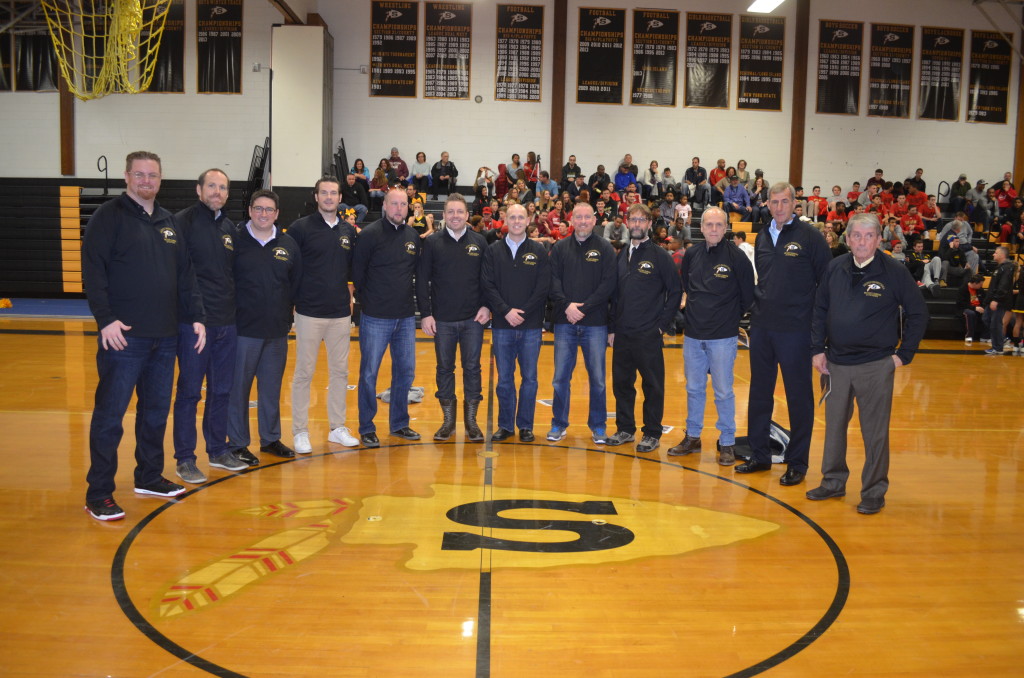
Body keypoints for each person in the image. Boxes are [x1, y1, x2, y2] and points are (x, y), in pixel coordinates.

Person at [81, 150, 205, 520]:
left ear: (161, 179)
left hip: (164, 338)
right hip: (124, 339)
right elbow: (93, 271)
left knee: (154, 414)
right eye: (140, 175)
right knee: (110, 416)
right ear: (126, 177)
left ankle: (149, 476)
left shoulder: (169, 222)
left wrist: (196, 316)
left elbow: (185, 275)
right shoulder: (109, 217)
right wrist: (106, 320)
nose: (146, 181)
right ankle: (99, 492)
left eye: (153, 175)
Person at [807, 213, 928, 515]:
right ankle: (833, 481)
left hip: (876, 364)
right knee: (834, 427)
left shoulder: (894, 271)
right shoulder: (834, 268)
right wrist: (817, 349)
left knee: (874, 432)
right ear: (847, 239)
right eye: (856, 236)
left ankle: (874, 490)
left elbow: (918, 313)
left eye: (868, 236)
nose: (861, 241)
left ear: (878, 239)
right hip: (836, 363)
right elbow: (819, 310)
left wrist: (904, 354)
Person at [737, 182, 830, 486]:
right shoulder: (763, 236)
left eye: (784, 201)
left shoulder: (810, 237)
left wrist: (818, 332)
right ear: (767, 204)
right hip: (763, 328)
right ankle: (760, 455)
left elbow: (826, 287)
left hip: (796, 331)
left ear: (794, 203)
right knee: (759, 394)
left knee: (798, 397)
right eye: (773, 202)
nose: (779, 207)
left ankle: (798, 462)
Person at [667, 207, 754, 464]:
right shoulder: (692, 254)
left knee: (724, 391)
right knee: (694, 388)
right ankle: (693, 436)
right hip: (694, 335)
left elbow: (747, 295)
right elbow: (687, 286)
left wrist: (728, 319)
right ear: (701, 227)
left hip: (723, 337)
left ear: (725, 227)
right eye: (709, 225)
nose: (714, 229)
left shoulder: (737, 257)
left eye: (718, 224)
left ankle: (727, 442)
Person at [172, 168, 241, 483]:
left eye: (223, 187)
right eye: (211, 186)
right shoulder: (182, 223)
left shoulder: (229, 228)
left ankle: (217, 449)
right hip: (194, 326)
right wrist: (193, 316)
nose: (217, 191)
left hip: (227, 324)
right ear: (199, 190)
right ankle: (185, 458)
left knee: (222, 390)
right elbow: (177, 275)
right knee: (189, 393)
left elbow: (232, 276)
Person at [226, 189, 301, 464]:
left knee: (271, 388)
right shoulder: (235, 240)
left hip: (276, 331)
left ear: (277, 214)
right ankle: (237, 443)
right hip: (243, 330)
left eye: (269, 210)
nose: (263, 214)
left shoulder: (288, 244)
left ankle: (270, 439)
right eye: (258, 208)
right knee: (239, 389)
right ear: (250, 210)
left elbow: (295, 284)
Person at [287, 175, 360, 453]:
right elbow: (290, 267)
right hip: (308, 312)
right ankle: (300, 431)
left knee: (340, 372)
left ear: (340, 198)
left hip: (340, 314)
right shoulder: (299, 228)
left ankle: (337, 428)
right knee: (304, 372)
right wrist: (293, 301)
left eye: (334, 193)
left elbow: (352, 269)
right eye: (324, 193)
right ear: (316, 197)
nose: (329, 197)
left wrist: (351, 295)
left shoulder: (348, 231)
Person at [606, 203, 682, 453]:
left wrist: (662, 326)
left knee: (652, 385)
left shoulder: (660, 256)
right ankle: (625, 429)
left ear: (650, 224)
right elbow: (615, 296)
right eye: (633, 220)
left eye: (642, 220)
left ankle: (651, 433)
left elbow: (675, 292)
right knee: (622, 384)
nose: (637, 224)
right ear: (628, 223)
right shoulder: (621, 254)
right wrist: (612, 328)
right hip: (623, 334)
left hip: (648, 334)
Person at [417, 193, 490, 442]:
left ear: (467, 215)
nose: (455, 216)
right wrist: (426, 314)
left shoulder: (480, 242)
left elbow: (488, 280)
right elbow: (422, 281)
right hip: (443, 320)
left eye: (460, 212)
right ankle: (448, 421)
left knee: (472, 369)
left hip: (473, 320)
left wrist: (486, 306)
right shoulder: (433, 242)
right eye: (451, 212)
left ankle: (471, 422)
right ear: (444, 215)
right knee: (444, 369)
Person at [352, 187, 421, 446]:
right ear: (385, 206)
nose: (398, 209)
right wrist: (369, 303)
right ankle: (367, 426)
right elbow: (358, 274)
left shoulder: (413, 236)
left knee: (405, 372)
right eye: (394, 204)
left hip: (405, 318)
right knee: (369, 373)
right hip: (376, 317)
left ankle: (399, 424)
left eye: (403, 204)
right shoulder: (369, 235)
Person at [547, 201, 617, 443]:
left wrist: (584, 309)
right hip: (564, 321)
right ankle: (558, 424)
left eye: (588, 217)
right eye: (579, 217)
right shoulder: (559, 248)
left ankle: (598, 426)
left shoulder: (606, 248)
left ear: (594, 221)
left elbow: (608, 285)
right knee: (560, 377)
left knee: (597, 378)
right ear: (572, 220)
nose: (584, 221)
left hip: (595, 323)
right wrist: (567, 305)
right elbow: (552, 281)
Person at [481, 203, 551, 442]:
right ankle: (505, 425)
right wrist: (505, 311)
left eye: (521, 217)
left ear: (528, 219)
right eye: (513, 217)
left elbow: (543, 287)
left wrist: (523, 312)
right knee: (504, 379)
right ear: (505, 220)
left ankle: (526, 426)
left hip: (531, 326)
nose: (517, 221)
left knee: (530, 378)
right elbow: (488, 285)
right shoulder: (493, 251)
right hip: (502, 326)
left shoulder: (539, 251)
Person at [983, 246, 1015, 356]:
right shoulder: (999, 267)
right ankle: (1001, 340)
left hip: (1000, 301)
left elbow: (1003, 286)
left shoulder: (1007, 268)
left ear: (1002, 255)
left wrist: (996, 299)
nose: (993, 254)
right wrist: (988, 300)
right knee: (986, 318)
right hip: (992, 299)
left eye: (995, 253)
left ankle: (998, 347)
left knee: (995, 323)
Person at [956, 274, 987, 345]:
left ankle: (985, 336)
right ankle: (969, 336)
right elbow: (961, 304)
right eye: (980, 284)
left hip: (978, 307)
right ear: (975, 283)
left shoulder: (980, 290)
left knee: (990, 312)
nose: (981, 286)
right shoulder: (963, 289)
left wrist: (983, 308)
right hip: (965, 309)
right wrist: (975, 308)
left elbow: (984, 300)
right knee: (970, 313)